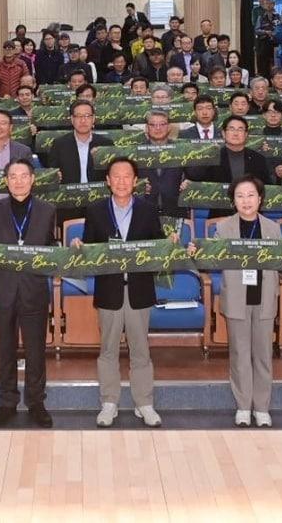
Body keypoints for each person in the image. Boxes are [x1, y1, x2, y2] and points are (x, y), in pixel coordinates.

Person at [73, 157, 168, 428]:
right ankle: (109, 402)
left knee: (141, 351)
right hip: (109, 290)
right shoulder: (95, 210)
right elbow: (91, 247)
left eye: (127, 176)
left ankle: (144, 403)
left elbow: (156, 248)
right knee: (108, 350)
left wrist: (167, 244)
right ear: (108, 181)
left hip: (139, 291)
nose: (122, 181)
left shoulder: (149, 210)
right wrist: (80, 245)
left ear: (135, 181)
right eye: (117, 176)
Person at [0, 159, 56, 428]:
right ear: (6, 180)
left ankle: (36, 402)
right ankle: (7, 402)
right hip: (4, 290)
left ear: (33, 179)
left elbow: (51, 248)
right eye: (13, 176)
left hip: (34, 289)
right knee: (6, 350)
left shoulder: (47, 210)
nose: (19, 181)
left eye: (24, 175)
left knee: (36, 351)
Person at [215, 175, 281, 428]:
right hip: (236, 298)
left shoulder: (273, 228)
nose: (246, 201)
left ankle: (262, 407)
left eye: (251, 195)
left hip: (264, 296)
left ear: (260, 198)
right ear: (233, 200)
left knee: (263, 354)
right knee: (240, 354)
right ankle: (243, 406)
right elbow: (216, 260)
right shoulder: (223, 228)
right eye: (240, 196)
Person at [47, 100, 112, 197]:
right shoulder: (59, 144)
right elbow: (53, 173)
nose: (83, 120)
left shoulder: (106, 144)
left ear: (93, 118)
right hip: (70, 198)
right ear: (72, 119)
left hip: (99, 198)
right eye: (78, 116)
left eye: (87, 116)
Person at [185, 114, 274, 185]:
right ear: (223, 133)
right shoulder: (211, 157)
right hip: (220, 207)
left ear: (246, 134)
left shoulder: (258, 159)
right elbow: (195, 178)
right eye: (231, 129)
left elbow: (267, 186)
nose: (235, 133)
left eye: (240, 129)